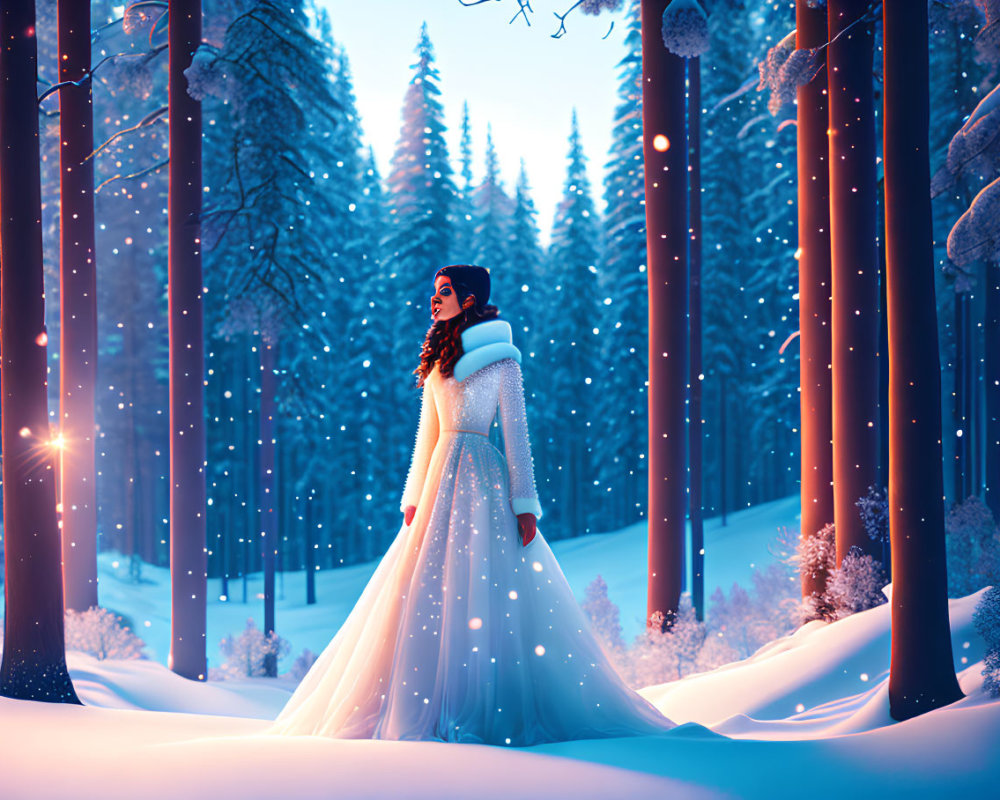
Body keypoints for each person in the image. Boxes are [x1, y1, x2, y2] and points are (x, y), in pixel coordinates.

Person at [271, 265, 674, 746]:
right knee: (427, 585)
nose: (435, 300)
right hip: (441, 477)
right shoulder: (440, 355)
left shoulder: (502, 360)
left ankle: (484, 699)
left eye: (444, 292)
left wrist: (525, 502)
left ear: (469, 297)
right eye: (434, 292)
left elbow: (517, 435)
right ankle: (424, 699)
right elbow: (428, 435)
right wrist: (414, 495)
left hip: (482, 475)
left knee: (483, 578)